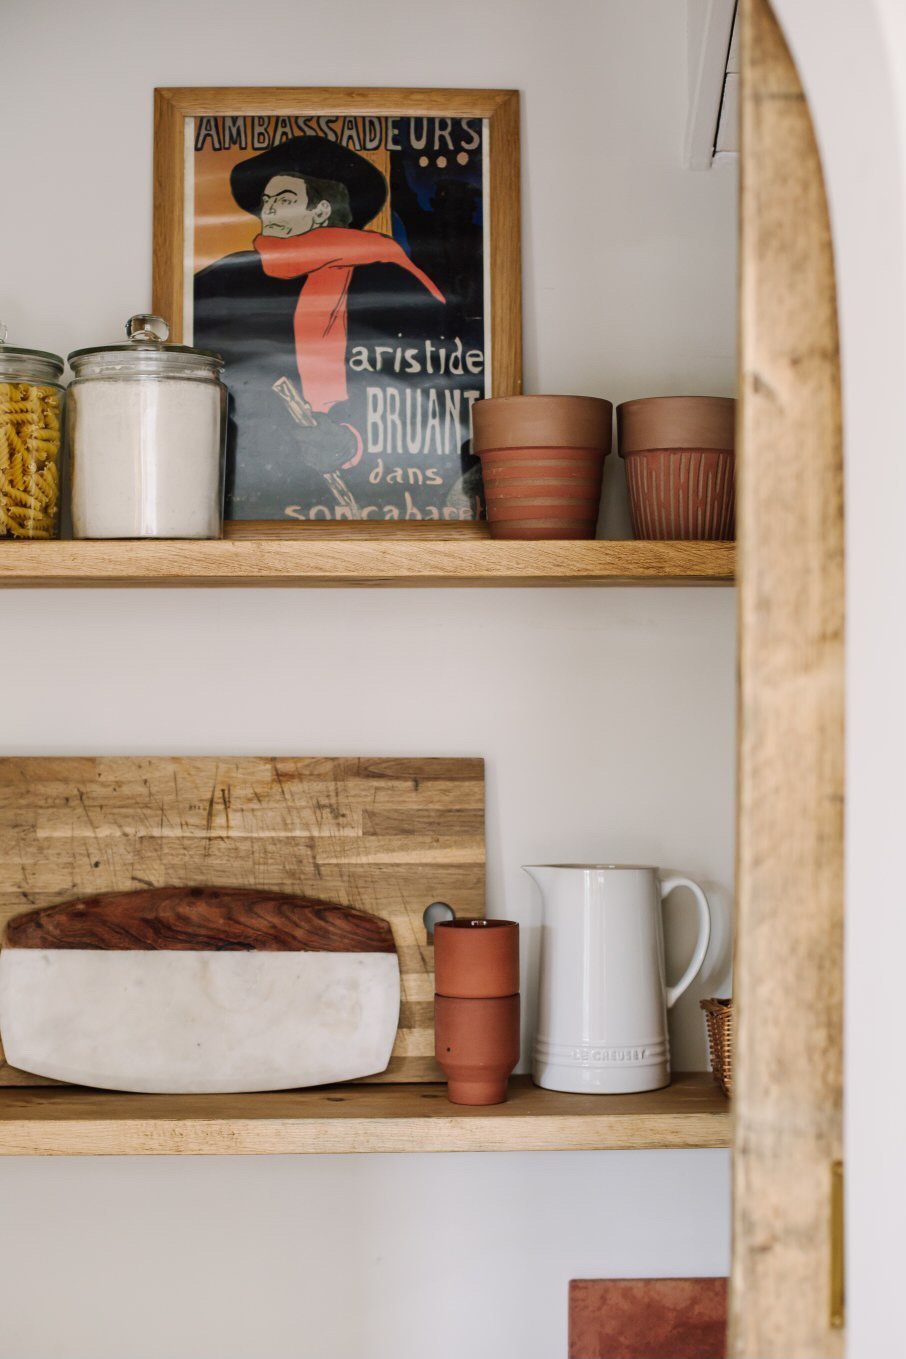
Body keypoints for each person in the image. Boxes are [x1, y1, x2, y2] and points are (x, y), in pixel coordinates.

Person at [194, 135, 446, 521]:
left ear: (321, 210)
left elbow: (427, 387)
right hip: (243, 483)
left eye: (284, 200)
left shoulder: (386, 280)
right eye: (266, 202)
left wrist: (353, 442)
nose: (269, 211)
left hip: (365, 485)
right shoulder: (225, 278)